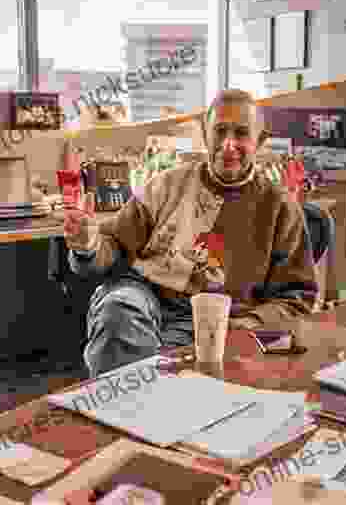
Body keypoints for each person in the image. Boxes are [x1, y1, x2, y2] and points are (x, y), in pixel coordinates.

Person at [64, 89, 318, 377]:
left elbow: (297, 298)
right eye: (219, 131)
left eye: (241, 133)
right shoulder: (166, 185)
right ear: (205, 134)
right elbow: (113, 243)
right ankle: (121, 413)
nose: (228, 144)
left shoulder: (281, 208)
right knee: (117, 311)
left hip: (223, 319)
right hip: (145, 295)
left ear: (260, 142)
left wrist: (249, 322)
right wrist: (88, 246)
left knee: (189, 368)